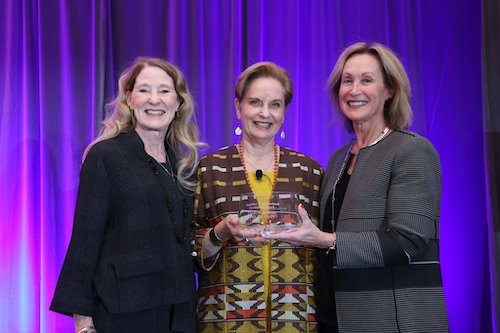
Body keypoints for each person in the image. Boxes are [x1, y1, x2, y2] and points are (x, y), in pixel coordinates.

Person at [268, 42, 449, 333]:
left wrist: (326, 240)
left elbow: (409, 241)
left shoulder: (412, 151)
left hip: (391, 320)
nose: (354, 90)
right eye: (347, 81)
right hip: (334, 317)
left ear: (390, 90)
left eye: (367, 80)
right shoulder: (339, 158)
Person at [50, 57, 204, 333]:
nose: (154, 100)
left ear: (178, 103)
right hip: (125, 311)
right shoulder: (105, 156)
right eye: (144, 90)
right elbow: (85, 242)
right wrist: (83, 323)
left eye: (165, 91)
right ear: (130, 100)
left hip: (178, 310)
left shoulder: (179, 163)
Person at [191, 62, 324, 332]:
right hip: (224, 320)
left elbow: (326, 245)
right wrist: (218, 234)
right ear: (238, 107)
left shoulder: (309, 171)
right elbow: (187, 249)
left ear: (284, 113)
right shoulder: (209, 170)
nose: (265, 113)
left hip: (297, 319)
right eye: (255, 102)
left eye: (275, 104)